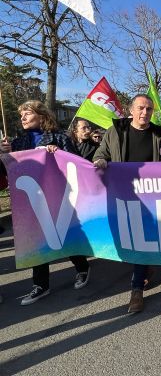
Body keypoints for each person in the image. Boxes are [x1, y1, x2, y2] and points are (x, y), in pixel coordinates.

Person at [0, 100, 91, 305]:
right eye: (21, 114)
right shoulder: (18, 143)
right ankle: (41, 285)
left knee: (64, 235)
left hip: (59, 198)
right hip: (31, 202)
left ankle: (82, 268)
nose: (22, 118)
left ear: (41, 116)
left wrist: (58, 153)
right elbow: (7, 174)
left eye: (27, 113)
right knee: (36, 240)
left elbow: (78, 165)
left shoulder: (59, 137)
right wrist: (3, 155)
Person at [93, 94, 161, 313]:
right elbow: (101, 154)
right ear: (131, 110)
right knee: (129, 237)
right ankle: (145, 268)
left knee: (139, 238)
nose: (145, 113)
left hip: (150, 195)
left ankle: (136, 290)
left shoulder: (159, 134)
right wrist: (100, 161)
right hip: (123, 193)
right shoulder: (116, 132)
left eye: (149, 109)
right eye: (140, 108)